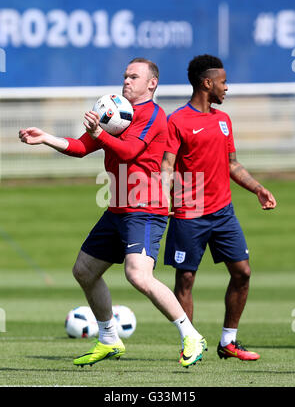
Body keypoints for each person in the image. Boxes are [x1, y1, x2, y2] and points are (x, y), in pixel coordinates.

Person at [19, 57, 207, 368]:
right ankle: (108, 338)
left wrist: (99, 133)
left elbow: (130, 151)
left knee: (137, 274)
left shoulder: (153, 115)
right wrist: (46, 139)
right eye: (125, 76)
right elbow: (81, 148)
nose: (126, 81)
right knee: (84, 271)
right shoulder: (116, 113)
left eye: (134, 77)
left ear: (152, 84)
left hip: (146, 209)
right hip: (119, 207)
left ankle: (191, 335)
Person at [161, 54, 277, 361]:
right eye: (223, 82)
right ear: (207, 83)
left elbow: (232, 164)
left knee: (243, 273)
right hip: (189, 213)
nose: (227, 87)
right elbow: (168, 166)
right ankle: (191, 343)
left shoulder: (223, 120)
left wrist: (258, 188)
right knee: (185, 279)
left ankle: (228, 342)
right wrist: (165, 196)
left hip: (223, 213)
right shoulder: (177, 121)